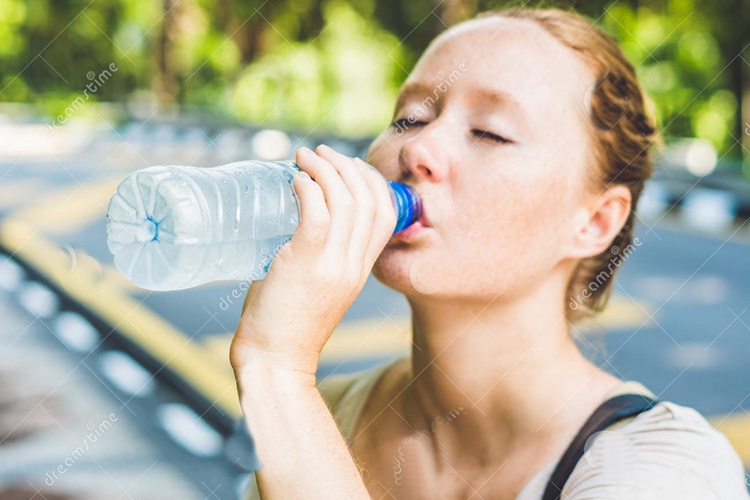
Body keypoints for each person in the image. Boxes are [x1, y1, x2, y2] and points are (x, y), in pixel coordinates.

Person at [230, 6, 749, 499]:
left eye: (490, 133)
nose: (417, 150)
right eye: (410, 118)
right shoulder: (328, 412)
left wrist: (277, 371)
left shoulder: (662, 469)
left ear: (594, 222)